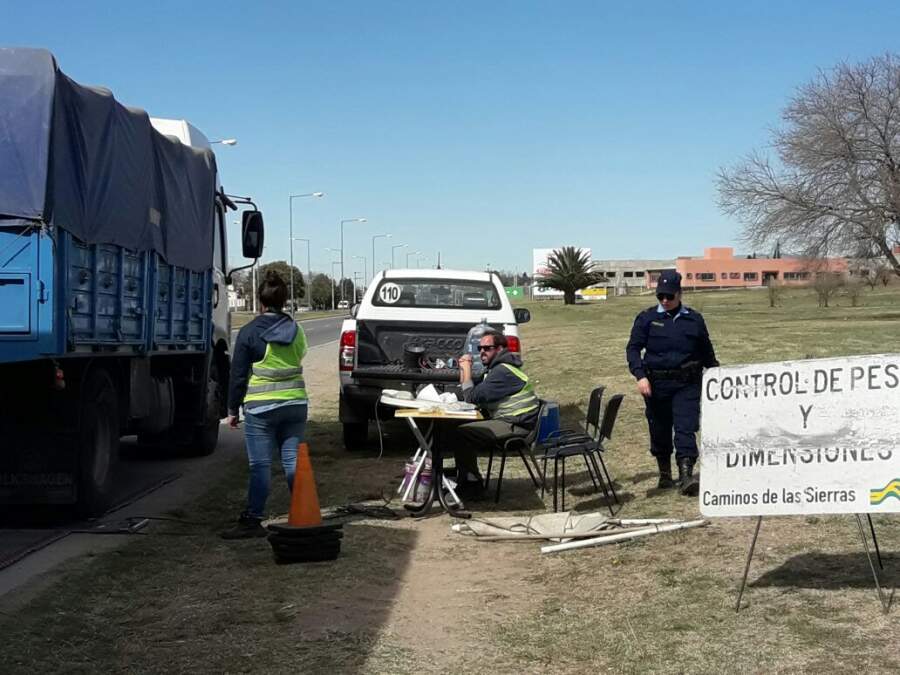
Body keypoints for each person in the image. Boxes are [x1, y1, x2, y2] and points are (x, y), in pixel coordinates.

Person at [220, 271, 309, 538]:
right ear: (285, 301)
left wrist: (232, 410)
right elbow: (299, 356)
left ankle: (253, 519)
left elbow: (237, 376)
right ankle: (304, 512)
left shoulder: (249, 332)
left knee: (261, 465)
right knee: (292, 461)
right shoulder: (297, 330)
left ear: (260, 302)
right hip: (295, 405)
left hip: (261, 409)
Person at [626, 270, 718, 496]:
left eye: (669, 296)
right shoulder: (647, 319)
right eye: (660, 297)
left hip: (687, 383)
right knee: (659, 429)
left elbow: (706, 352)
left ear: (679, 294)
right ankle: (665, 475)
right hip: (656, 385)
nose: (665, 301)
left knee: (685, 428)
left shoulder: (694, 319)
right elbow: (633, 349)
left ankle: (686, 476)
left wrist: (718, 375)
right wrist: (640, 376)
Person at [454, 329, 540, 499]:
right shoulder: (498, 370)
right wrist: (465, 371)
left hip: (518, 426)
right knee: (456, 428)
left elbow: (471, 397)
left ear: (500, 349)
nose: (482, 352)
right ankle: (464, 478)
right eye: (479, 348)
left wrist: (465, 368)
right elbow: (471, 392)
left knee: (462, 434)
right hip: (512, 421)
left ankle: (472, 485)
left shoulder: (502, 372)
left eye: (487, 348)